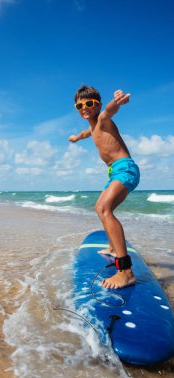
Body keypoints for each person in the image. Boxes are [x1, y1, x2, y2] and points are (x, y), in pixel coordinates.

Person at [69, 85, 140, 289]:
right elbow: (85, 133)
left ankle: (125, 271)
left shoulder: (102, 119)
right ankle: (112, 246)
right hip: (115, 173)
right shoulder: (92, 128)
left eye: (89, 103)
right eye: (80, 105)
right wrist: (75, 138)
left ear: (97, 105)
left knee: (104, 209)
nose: (85, 107)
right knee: (100, 208)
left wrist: (117, 101)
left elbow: (109, 110)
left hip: (125, 168)